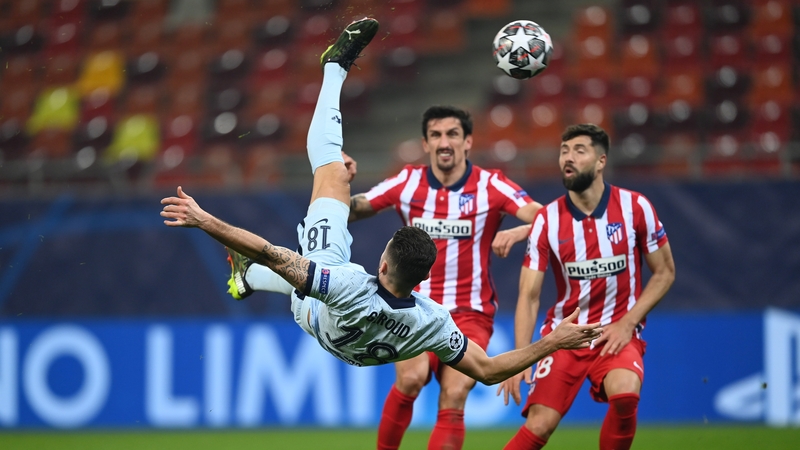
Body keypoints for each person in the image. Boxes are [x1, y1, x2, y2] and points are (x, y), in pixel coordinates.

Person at [161, 15, 602, 409]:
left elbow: (274, 252)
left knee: (331, 172)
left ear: (382, 261)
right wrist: (554, 341)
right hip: (347, 344)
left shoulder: (348, 283)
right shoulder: (431, 320)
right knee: (296, 252)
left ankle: (333, 69)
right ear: (423, 280)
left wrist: (206, 222)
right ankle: (246, 278)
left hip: (322, 308)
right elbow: (488, 370)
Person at [236, 104, 540, 448]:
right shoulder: (408, 181)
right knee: (411, 379)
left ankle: (256, 276)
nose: (444, 142)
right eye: (436, 135)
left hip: (470, 311)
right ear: (425, 144)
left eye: (453, 134)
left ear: (468, 141)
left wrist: (519, 231)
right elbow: (351, 210)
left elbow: (549, 220)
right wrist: (339, 181)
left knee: (455, 393)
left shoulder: (492, 185)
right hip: (413, 310)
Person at [497, 124, 676, 450]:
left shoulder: (635, 208)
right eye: (564, 150)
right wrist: (520, 358)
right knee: (539, 426)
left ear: (600, 161)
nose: (568, 157)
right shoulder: (547, 220)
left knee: (625, 395)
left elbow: (664, 273)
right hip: (565, 336)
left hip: (617, 332)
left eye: (579, 150)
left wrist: (627, 322)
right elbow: (529, 295)